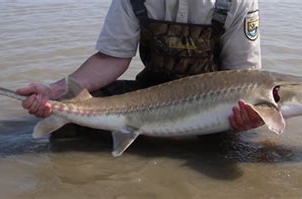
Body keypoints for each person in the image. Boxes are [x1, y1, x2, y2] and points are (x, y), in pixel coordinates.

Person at [17, 0, 264, 136]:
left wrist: (254, 115)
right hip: (151, 90)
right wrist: (55, 90)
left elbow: (244, 77)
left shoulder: (237, 2)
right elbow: (112, 58)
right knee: (66, 124)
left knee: (239, 150)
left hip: (213, 105)